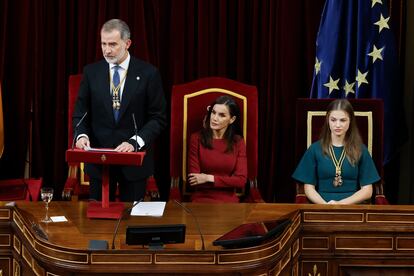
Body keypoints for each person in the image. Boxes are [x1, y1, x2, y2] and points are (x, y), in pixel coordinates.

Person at [73, 19, 166, 202]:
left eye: (113, 44)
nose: (107, 50)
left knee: (130, 222)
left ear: (127, 43)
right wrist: (81, 135)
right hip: (100, 161)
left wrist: (135, 142)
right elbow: (81, 112)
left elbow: (158, 118)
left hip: (133, 163)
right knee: (98, 223)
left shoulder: (148, 73)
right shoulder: (91, 72)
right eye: (103, 44)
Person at [292, 99, 380, 204]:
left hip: (353, 207)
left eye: (342, 120)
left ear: (350, 121)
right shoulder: (314, 149)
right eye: (333, 120)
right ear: (327, 120)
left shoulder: (361, 149)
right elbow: (308, 188)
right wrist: (325, 206)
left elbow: (367, 191)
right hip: (321, 206)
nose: (337, 125)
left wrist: (340, 204)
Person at [187, 95, 248, 203]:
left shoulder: (238, 141)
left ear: (232, 119)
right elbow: (194, 180)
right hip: (200, 200)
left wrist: (208, 178)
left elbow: (241, 181)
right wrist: (228, 181)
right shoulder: (196, 138)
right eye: (213, 112)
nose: (214, 118)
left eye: (222, 115)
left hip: (229, 201)